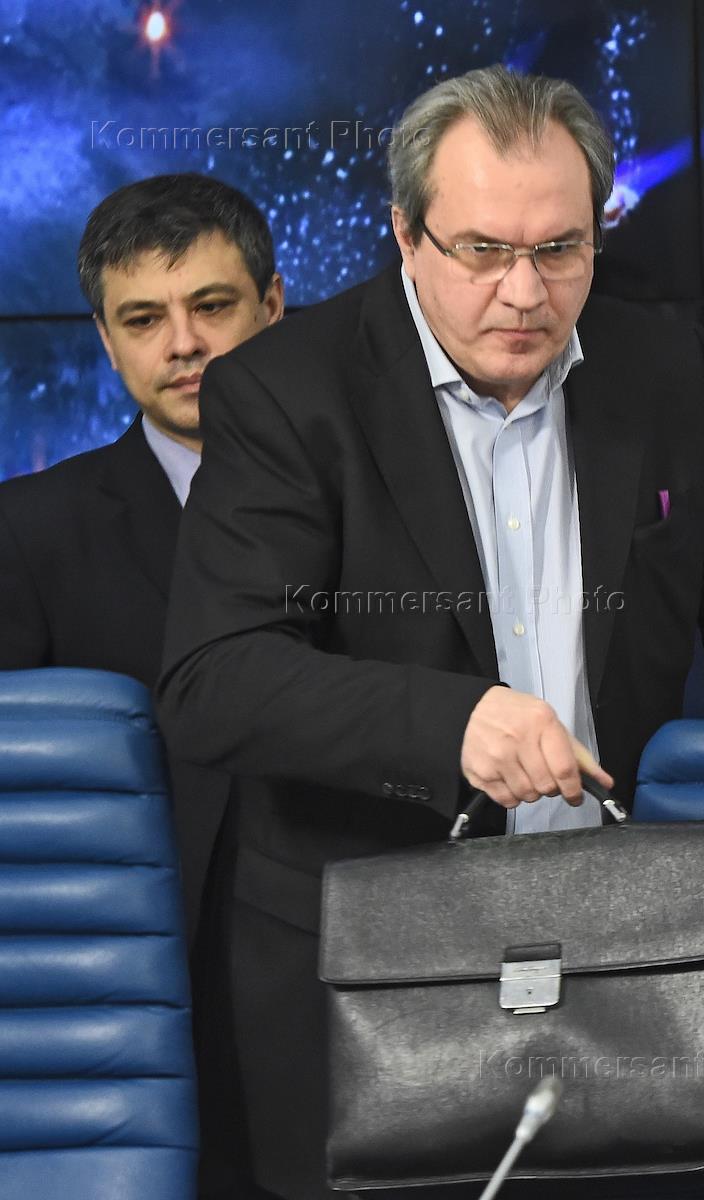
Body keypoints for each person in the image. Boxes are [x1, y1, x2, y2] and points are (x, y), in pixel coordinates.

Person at [156, 68, 704, 1199]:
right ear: (407, 236)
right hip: (376, 984)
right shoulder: (286, 390)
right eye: (483, 251)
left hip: (627, 966)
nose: (526, 291)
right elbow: (216, 679)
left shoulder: (663, 369)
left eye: (560, 249)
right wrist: (456, 724)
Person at [0, 172, 284, 1197]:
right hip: (131, 1021)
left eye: (211, 305)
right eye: (143, 319)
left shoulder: (383, 504)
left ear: (273, 307)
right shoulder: (30, 530)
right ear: (106, 340)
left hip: (359, 983)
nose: (184, 344)